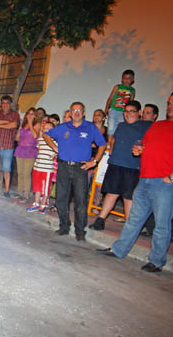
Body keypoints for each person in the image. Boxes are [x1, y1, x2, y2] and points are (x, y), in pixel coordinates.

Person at [97, 93, 173, 272]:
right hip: (145, 179)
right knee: (134, 220)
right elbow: (144, 145)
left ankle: (156, 261)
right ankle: (118, 250)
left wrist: (171, 178)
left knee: (162, 225)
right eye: (169, 103)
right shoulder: (158, 125)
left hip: (165, 184)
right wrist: (139, 149)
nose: (170, 106)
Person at [43, 102, 107, 240]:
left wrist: (94, 161)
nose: (76, 112)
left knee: (81, 201)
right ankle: (64, 226)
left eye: (79, 110)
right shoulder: (63, 127)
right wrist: (55, 148)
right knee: (61, 199)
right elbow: (46, 135)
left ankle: (80, 231)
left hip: (80, 169)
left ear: (83, 113)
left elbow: (102, 144)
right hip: (64, 167)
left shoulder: (90, 127)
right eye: (74, 110)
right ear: (70, 113)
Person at [90, 100, 152, 228]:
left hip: (132, 167)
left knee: (128, 197)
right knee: (111, 193)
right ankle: (100, 220)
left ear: (139, 113)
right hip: (115, 164)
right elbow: (114, 140)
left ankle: (129, 229)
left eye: (132, 111)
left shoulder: (146, 127)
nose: (128, 114)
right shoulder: (121, 126)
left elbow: (152, 145)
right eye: (126, 111)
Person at [28, 121, 57, 214]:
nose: (46, 129)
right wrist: (41, 131)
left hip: (47, 169)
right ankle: (36, 203)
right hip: (37, 167)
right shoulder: (40, 140)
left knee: (45, 188)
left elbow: (60, 150)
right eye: (44, 128)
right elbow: (39, 148)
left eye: (48, 128)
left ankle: (43, 204)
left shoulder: (55, 141)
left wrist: (56, 153)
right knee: (37, 187)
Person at [14, 107, 41, 201]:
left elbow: (35, 136)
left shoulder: (37, 124)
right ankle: (19, 192)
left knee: (26, 173)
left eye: (32, 113)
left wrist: (30, 123)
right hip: (21, 149)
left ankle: (26, 195)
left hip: (30, 151)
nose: (30, 115)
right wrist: (18, 135)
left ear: (35, 116)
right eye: (28, 113)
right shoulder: (23, 124)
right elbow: (17, 138)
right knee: (20, 173)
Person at [104, 69, 136, 146]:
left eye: (129, 78)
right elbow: (110, 98)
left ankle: (116, 143)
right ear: (122, 79)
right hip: (114, 109)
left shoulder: (132, 90)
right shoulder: (117, 87)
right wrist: (106, 108)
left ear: (132, 80)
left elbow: (131, 102)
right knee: (111, 125)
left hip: (123, 112)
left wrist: (129, 113)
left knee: (120, 127)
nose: (126, 80)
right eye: (124, 78)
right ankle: (109, 142)